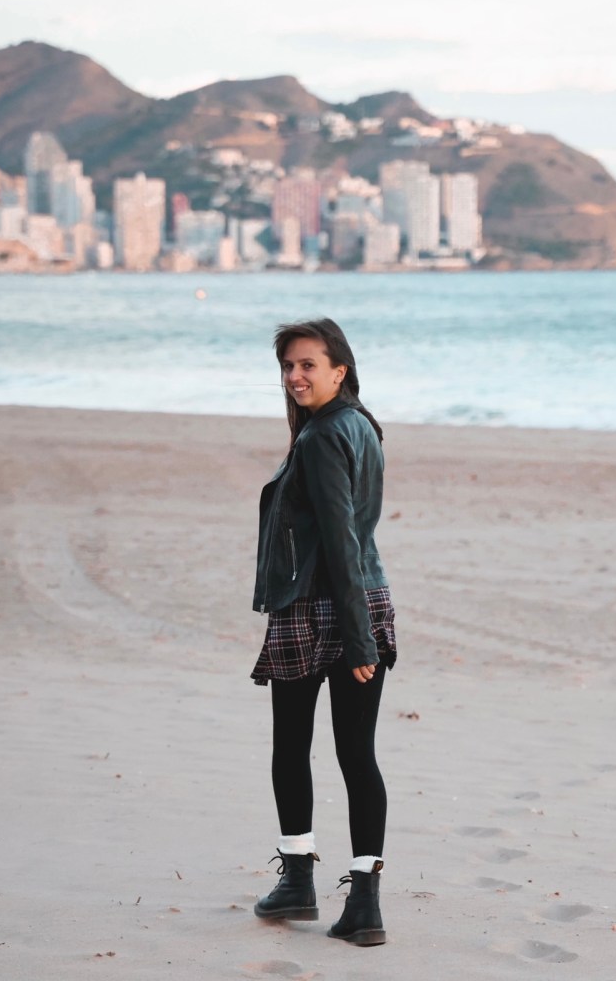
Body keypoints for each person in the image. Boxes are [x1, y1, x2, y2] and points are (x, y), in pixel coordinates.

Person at [251, 317, 396, 947]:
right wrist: (364, 624)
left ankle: (300, 879)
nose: (295, 376)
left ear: (340, 369)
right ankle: (363, 899)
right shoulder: (361, 424)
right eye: (288, 366)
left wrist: (358, 638)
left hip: (320, 604)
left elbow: (338, 535)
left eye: (308, 364)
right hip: (366, 592)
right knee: (356, 752)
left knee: (293, 744)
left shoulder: (320, 437)